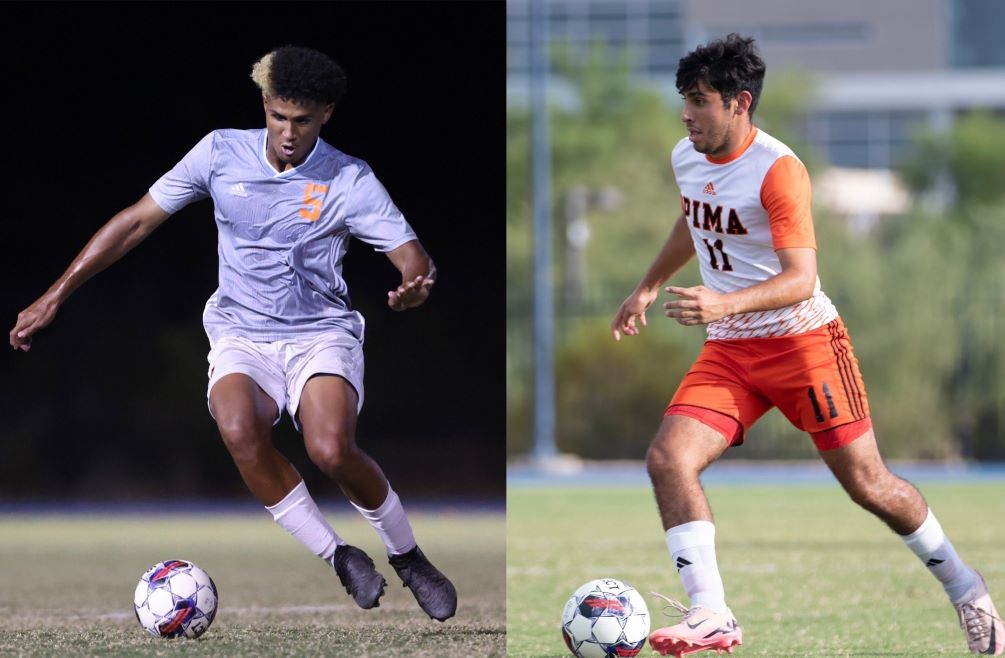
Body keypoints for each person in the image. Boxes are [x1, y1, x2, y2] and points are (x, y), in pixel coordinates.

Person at [9, 45, 457, 622]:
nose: (288, 132)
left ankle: (409, 556)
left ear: (326, 115)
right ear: (265, 105)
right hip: (240, 332)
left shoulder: (349, 178)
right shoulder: (220, 151)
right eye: (278, 117)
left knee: (329, 448)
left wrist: (416, 285)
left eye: (302, 120)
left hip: (319, 333)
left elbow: (413, 258)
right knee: (240, 428)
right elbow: (136, 221)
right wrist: (55, 293)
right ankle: (339, 555)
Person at [611, 33, 1001, 657]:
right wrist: (648, 286)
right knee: (667, 460)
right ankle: (711, 614)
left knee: (869, 485)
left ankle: (965, 587)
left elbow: (800, 279)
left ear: (740, 103)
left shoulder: (778, 169)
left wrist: (723, 302)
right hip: (732, 350)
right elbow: (694, 217)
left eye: (700, 101)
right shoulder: (687, 156)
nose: (687, 114)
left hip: (804, 344)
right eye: (684, 100)